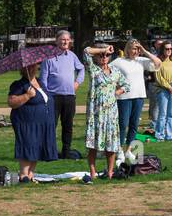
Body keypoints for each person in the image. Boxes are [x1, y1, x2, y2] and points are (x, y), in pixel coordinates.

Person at [82, 45, 126, 183]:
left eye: (106, 55)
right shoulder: (93, 70)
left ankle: (111, 171)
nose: (104, 58)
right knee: (93, 145)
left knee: (111, 144)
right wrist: (102, 49)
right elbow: (86, 51)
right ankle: (93, 171)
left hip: (111, 114)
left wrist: (116, 92)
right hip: (96, 113)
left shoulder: (115, 71)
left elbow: (126, 85)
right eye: (101, 55)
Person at [7, 62, 57, 181]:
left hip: (42, 123)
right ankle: (23, 174)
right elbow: (11, 102)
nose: (31, 68)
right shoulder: (19, 85)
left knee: (37, 146)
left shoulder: (40, 82)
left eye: (33, 65)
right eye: (28, 66)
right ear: (22, 68)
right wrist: (27, 96)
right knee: (28, 144)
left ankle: (30, 174)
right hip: (27, 123)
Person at [40, 29, 84, 159]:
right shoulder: (48, 57)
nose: (65, 41)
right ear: (57, 41)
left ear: (70, 41)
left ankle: (66, 152)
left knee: (68, 126)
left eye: (67, 39)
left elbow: (81, 69)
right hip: (53, 97)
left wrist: (77, 82)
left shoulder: (72, 56)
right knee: (51, 126)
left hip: (69, 97)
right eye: (62, 39)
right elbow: (43, 78)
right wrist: (47, 94)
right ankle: (50, 152)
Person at [111, 40, 161, 152]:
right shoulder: (119, 61)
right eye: (133, 48)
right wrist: (115, 88)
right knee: (123, 124)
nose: (136, 51)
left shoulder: (141, 61)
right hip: (124, 97)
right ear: (127, 49)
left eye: (137, 49)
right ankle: (118, 149)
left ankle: (128, 150)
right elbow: (107, 72)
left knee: (134, 125)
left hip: (138, 96)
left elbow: (158, 63)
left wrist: (144, 51)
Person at [153, 42, 172, 140]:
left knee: (171, 113)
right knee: (162, 114)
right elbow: (158, 77)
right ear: (162, 49)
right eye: (166, 49)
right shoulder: (158, 61)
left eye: (170, 49)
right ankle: (159, 134)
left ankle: (169, 134)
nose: (169, 51)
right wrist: (169, 87)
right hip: (163, 89)